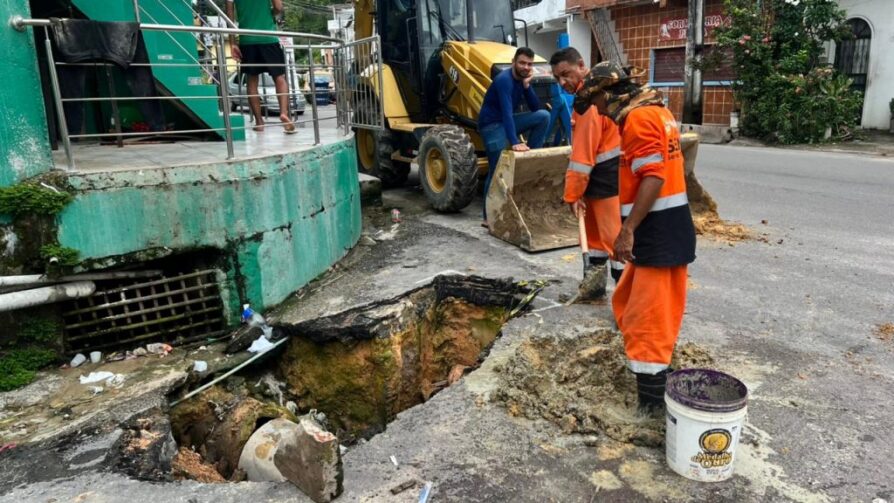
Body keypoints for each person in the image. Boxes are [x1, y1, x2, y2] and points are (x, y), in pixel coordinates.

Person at [576, 61, 696, 413]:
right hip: (668, 230)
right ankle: (660, 379)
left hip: (657, 233)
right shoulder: (658, 112)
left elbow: (653, 177)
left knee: (648, 321)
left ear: (606, 93)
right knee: (633, 304)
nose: (599, 113)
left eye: (596, 104)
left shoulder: (638, 120)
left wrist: (627, 230)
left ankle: (652, 406)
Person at [550, 47, 624, 295]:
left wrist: (572, 195)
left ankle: (627, 297)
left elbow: (582, 156)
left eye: (566, 74)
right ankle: (594, 287)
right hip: (603, 177)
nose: (563, 83)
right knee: (595, 238)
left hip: (607, 178)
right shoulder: (595, 94)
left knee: (613, 239)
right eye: (558, 78)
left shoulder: (588, 103)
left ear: (581, 66)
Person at [478, 47, 550, 223]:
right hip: (492, 125)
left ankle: (531, 156)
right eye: (522, 63)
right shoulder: (504, 80)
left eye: (529, 64)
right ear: (513, 63)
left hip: (505, 122)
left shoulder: (521, 80)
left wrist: (527, 86)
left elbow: (535, 107)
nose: (526, 67)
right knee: (497, 169)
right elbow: (507, 113)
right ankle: (487, 217)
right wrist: (514, 141)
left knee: (543, 116)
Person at [227, 0, 296, 134]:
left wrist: (232, 43)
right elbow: (278, 7)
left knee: (252, 80)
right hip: (269, 38)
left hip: (247, 40)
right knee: (279, 78)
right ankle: (284, 113)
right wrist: (271, 13)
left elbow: (229, 17)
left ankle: (259, 122)